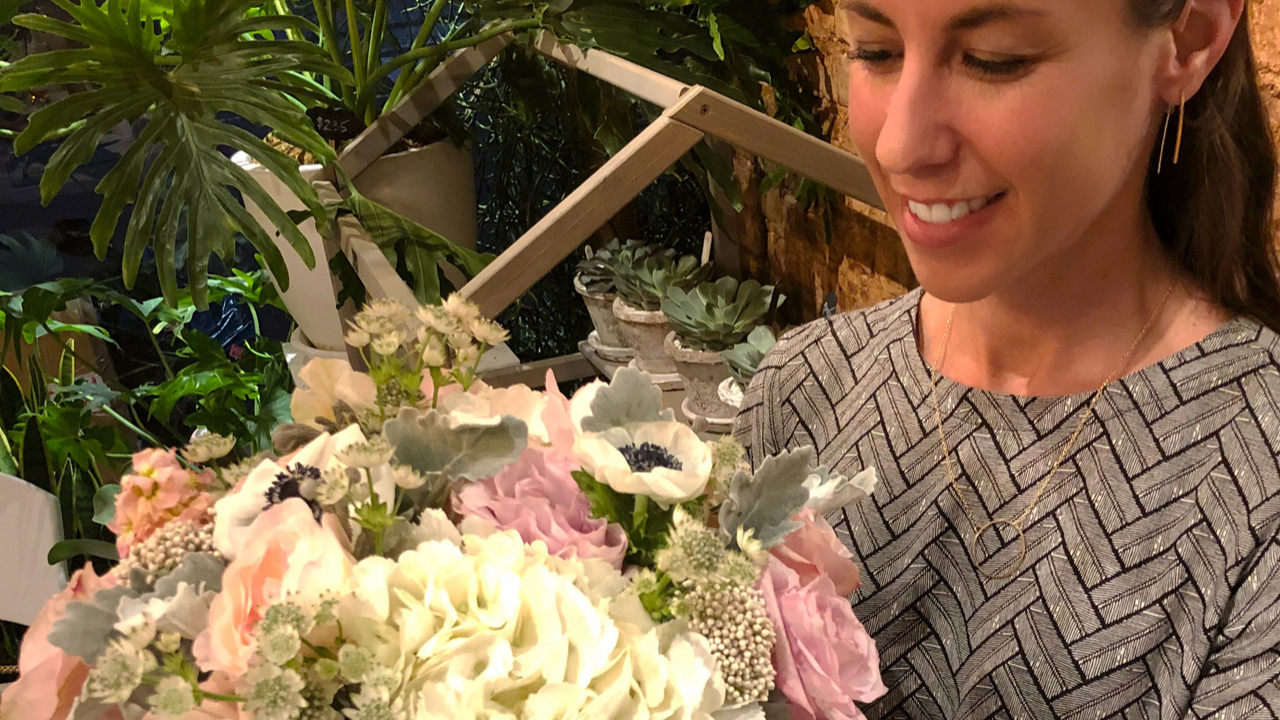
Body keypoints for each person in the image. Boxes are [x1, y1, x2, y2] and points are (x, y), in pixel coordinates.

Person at [733, 0, 1280, 717]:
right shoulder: (803, 389)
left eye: (995, 60)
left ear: (1191, 36)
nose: (899, 146)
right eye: (874, 51)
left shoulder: (1257, 480)